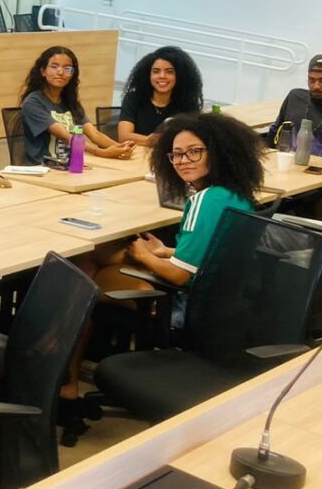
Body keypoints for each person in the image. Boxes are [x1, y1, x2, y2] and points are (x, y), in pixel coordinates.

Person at [61, 113, 263, 416]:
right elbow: (214, 251)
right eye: (177, 154)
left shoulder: (202, 201)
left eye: (194, 151)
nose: (183, 161)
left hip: (183, 303)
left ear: (217, 151)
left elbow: (180, 276)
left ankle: (67, 383)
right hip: (220, 302)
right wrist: (167, 250)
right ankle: (77, 371)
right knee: (96, 257)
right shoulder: (235, 195)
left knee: (79, 283)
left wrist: (144, 256)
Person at [20, 46, 133, 165]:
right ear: (43, 71)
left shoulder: (69, 101)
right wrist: (100, 152)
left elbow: (94, 134)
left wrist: (121, 148)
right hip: (43, 169)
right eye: (54, 66)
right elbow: (66, 137)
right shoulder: (33, 102)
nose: (60, 72)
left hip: (70, 166)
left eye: (67, 68)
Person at [265, 54, 322, 157]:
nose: (316, 86)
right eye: (311, 80)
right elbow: (274, 131)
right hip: (283, 163)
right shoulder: (295, 97)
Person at [117, 46, 204, 147]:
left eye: (169, 71)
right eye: (156, 71)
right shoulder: (134, 97)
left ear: (179, 76)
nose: (162, 76)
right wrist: (161, 141)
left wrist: (150, 140)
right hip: (136, 156)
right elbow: (123, 137)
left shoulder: (187, 102)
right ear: (148, 75)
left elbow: (190, 140)